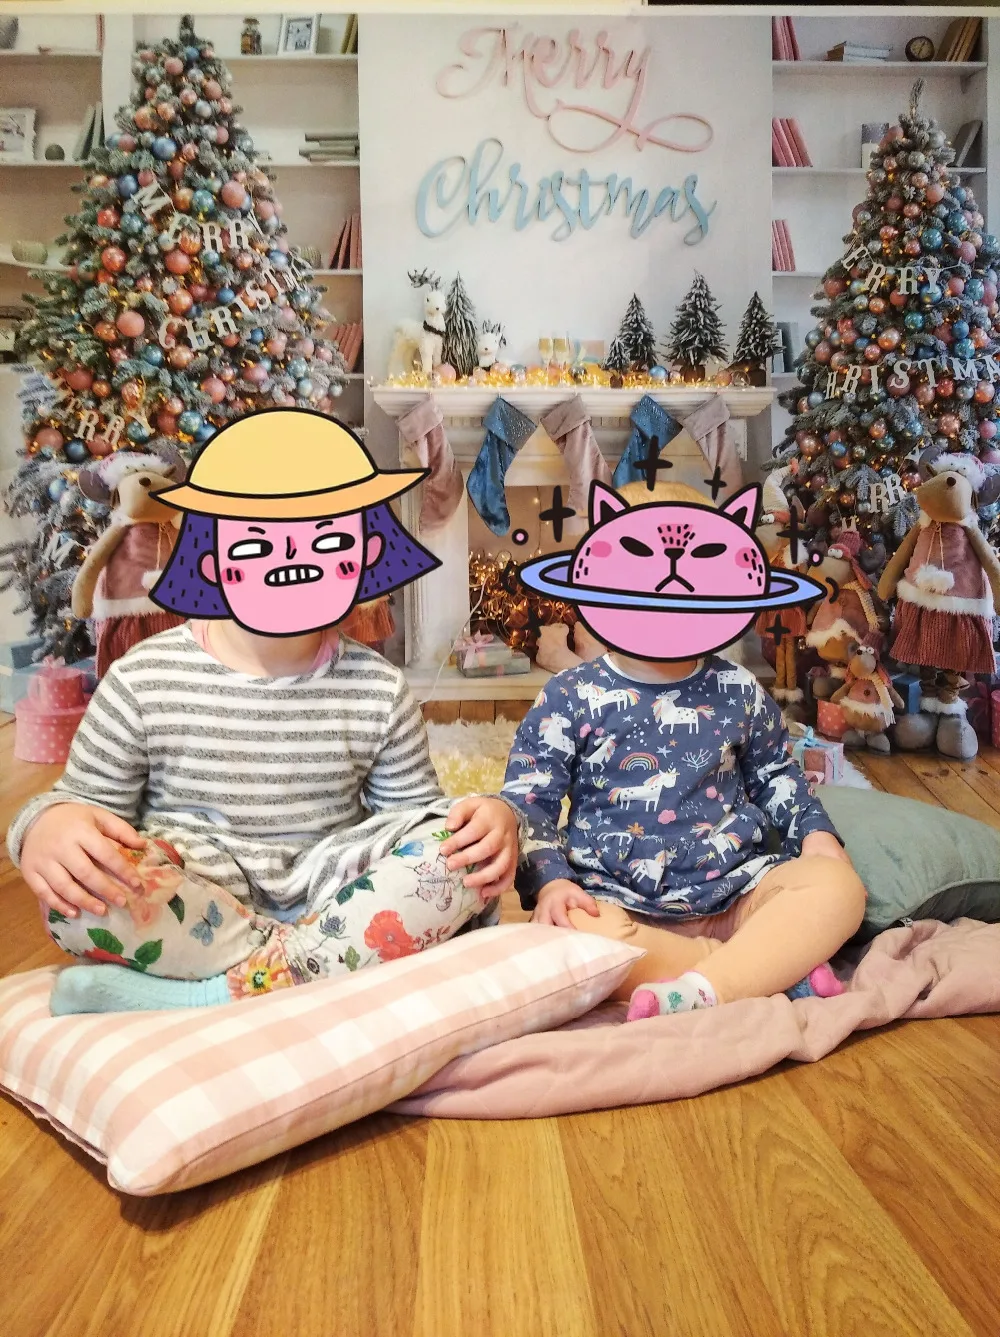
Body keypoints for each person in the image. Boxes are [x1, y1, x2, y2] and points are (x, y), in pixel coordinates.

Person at [8, 411, 520, 1014]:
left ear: (366, 554)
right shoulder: (142, 679)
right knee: (79, 894)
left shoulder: (379, 688)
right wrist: (44, 829)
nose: (292, 563)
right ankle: (313, 968)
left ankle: (214, 992)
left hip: (332, 894)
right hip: (196, 894)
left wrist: (486, 819)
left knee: (459, 860)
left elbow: (411, 820)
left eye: (329, 542)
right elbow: (84, 807)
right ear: (211, 559)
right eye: (255, 545)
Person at [504, 479, 866, 1020]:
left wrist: (816, 835)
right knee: (568, 936)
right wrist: (552, 881)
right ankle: (748, 972)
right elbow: (528, 800)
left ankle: (719, 976)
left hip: (738, 891)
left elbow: (777, 774)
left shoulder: (739, 688)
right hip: (618, 899)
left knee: (838, 888)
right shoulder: (569, 694)